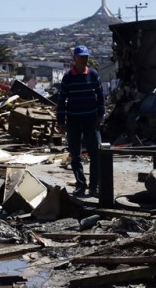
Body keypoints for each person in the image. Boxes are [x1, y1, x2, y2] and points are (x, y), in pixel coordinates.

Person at [56, 45, 105, 197]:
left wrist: (100, 115)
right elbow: (62, 100)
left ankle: (94, 186)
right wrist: (61, 121)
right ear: (75, 58)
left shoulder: (93, 74)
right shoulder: (68, 78)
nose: (85, 59)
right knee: (75, 155)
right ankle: (80, 185)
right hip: (73, 120)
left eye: (86, 57)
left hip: (91, 120)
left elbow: (101, 96)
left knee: (95, 153)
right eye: (82, 57)